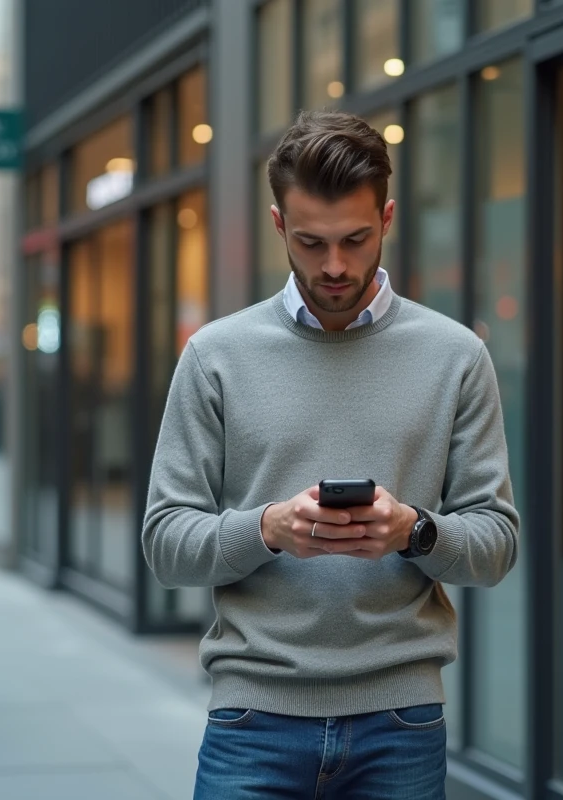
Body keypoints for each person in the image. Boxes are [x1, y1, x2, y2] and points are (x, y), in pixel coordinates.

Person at [142, 110, 519, 798]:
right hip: (253, 716)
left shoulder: (456, 356)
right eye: (312, 243)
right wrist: (269, 528)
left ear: (389, 216)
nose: (335, 266)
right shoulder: (216, 357)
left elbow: (496, 547)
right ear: (280, 224)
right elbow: (166, 545)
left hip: (399, 720)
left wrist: (414, 531)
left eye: (355, 239)